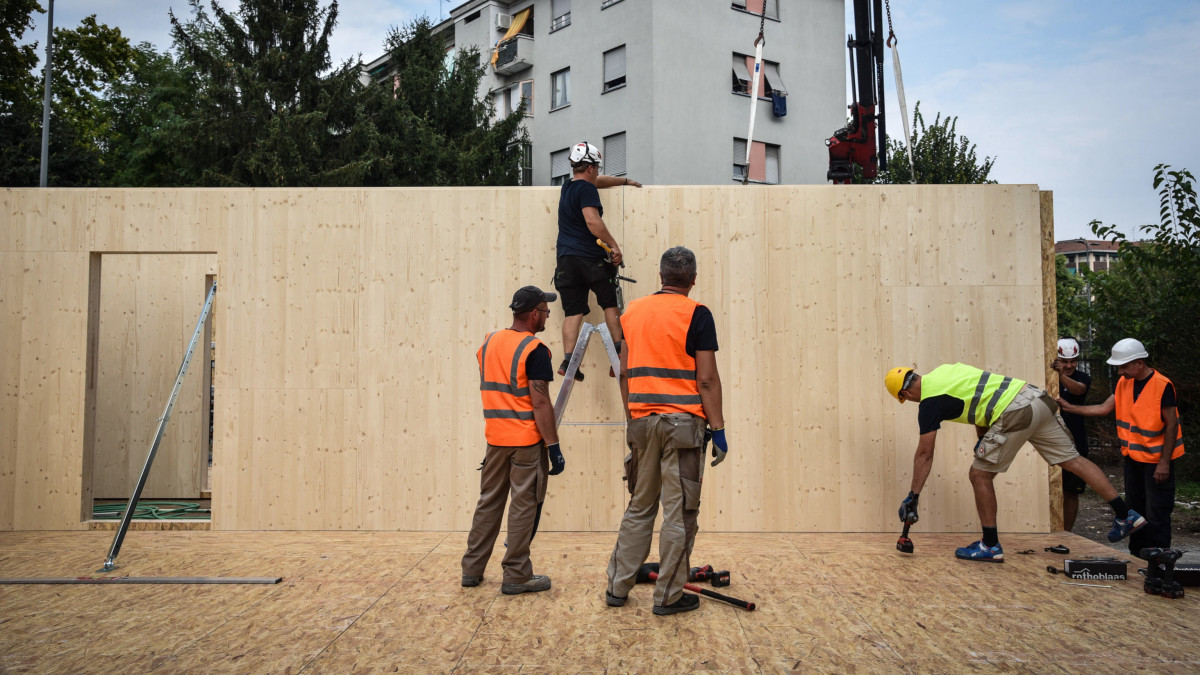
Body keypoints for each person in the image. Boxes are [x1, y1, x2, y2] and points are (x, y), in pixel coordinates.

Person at [884, 362, 1145, 562]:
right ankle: (1125, 515)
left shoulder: (929, 403)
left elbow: (925, 454)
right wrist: (983, 437)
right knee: (1072, 460)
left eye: (905, 399)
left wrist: (913, 496)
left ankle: (990, 545)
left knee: (979, 475)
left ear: (906, 392)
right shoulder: (946, 371)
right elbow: (980, 399)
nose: (910, 401)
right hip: (1038, 400)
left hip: (1014, 412)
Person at [605, 246, 727, 615]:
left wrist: (633, 418)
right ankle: (669, 596)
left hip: (642, 422)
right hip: (683, 427)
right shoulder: (697, 314)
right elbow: (706, 380)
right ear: (692, 278)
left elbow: (623, 373)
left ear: (660, 276)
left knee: (640, 507)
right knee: (679, 513)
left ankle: (617, 588)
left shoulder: (633, 313)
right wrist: (718, 429)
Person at [461, 286, 566, 595]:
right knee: (523, 506)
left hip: (495, 439)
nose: (547, 316)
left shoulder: (489, 342)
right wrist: (554, 447)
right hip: (525, 443)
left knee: (488, 503)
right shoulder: (535, 349)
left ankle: (471, 569)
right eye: (545, 312)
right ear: (534, 314)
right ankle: (517, 574)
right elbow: (540, 402)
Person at [1058, 338, 1185, 558]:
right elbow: (1103, 409)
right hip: (1133, 458)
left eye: (1123, 366)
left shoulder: (1162, 385)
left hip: (1157, 461)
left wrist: (1164, 462)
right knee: (1134, 510)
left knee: (1157, 512)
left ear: (1139, 363)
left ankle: (1160, 558)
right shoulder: (1124, 382)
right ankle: (1138, 556)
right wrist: (1070, 408)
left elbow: (1172, 424)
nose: (1119, 371)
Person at [554, 141, 642, 381]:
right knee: (610, 305)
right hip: (591, 259)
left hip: (566, 261)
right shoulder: (587, 190)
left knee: (573, 312)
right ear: (591, 167)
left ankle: (568, 361)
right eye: (597, 167)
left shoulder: (568, 187)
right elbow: (592, 221)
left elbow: (596, 182)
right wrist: (614, 245)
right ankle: (618, 357)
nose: (598, 172)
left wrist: (624, 181)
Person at [1052, 337, 1092, 531]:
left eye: (1072, 361)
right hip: (1050, 440)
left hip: (1075, 442)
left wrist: (1060, 376)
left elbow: (1078, 390)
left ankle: (1066, 533)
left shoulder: (1083, 377)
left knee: (1070, 491)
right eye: (1065, 361)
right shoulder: (1047, 376)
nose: (1069, 365)